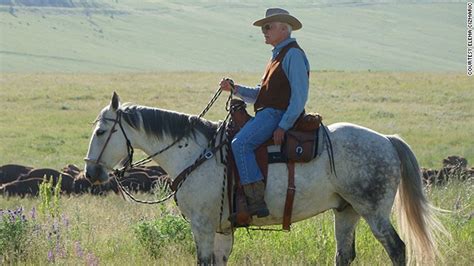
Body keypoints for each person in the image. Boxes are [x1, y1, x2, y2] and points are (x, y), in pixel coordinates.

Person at [220, 8, 310, 218]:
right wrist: (236, 89)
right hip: (268, 113)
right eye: (263, 27)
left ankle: (255, 200)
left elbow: (299, 96)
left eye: (268, 27)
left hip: (275, 114)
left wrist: (284, 125)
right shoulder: (277, 56)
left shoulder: (293, 54)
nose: (264, 31)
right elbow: (262, 95)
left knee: (240, 144)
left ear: (283, 28)